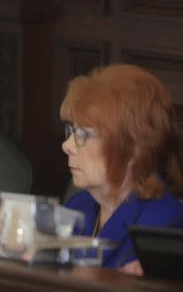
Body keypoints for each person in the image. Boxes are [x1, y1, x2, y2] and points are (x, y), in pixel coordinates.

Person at [61, 63, 183, 273]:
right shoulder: (78, 205)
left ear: (133, 149)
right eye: (72, 131)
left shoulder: (166, 223)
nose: (67, 146)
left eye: (84, 134)